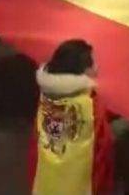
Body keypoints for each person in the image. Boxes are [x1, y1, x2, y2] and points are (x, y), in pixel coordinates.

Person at [30, 39, 114, 195]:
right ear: (83, 71)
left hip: (46, 180)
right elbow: (103, 149)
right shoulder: (90, 106)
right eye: (93, 63)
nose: (96, 67)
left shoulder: (45, 97)